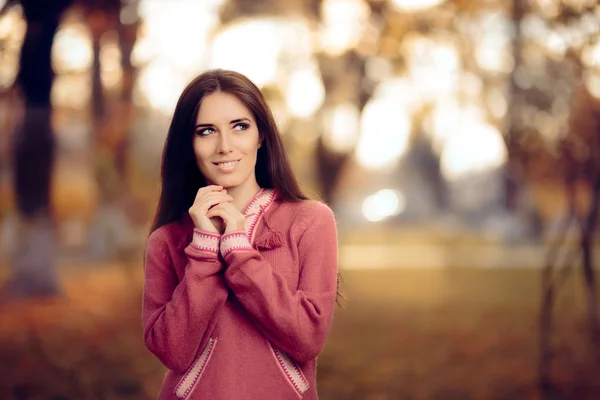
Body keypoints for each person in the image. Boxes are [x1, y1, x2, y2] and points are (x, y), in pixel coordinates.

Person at [143, 69, 339, 400]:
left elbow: (307, 339)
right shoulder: (167, 240)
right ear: (189, 143)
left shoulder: (311, 221)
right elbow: (172, 352)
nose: (224, 146)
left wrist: (237, 248)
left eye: (239, 126)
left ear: (261, 134)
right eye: (206, 131)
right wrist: (205, 251)